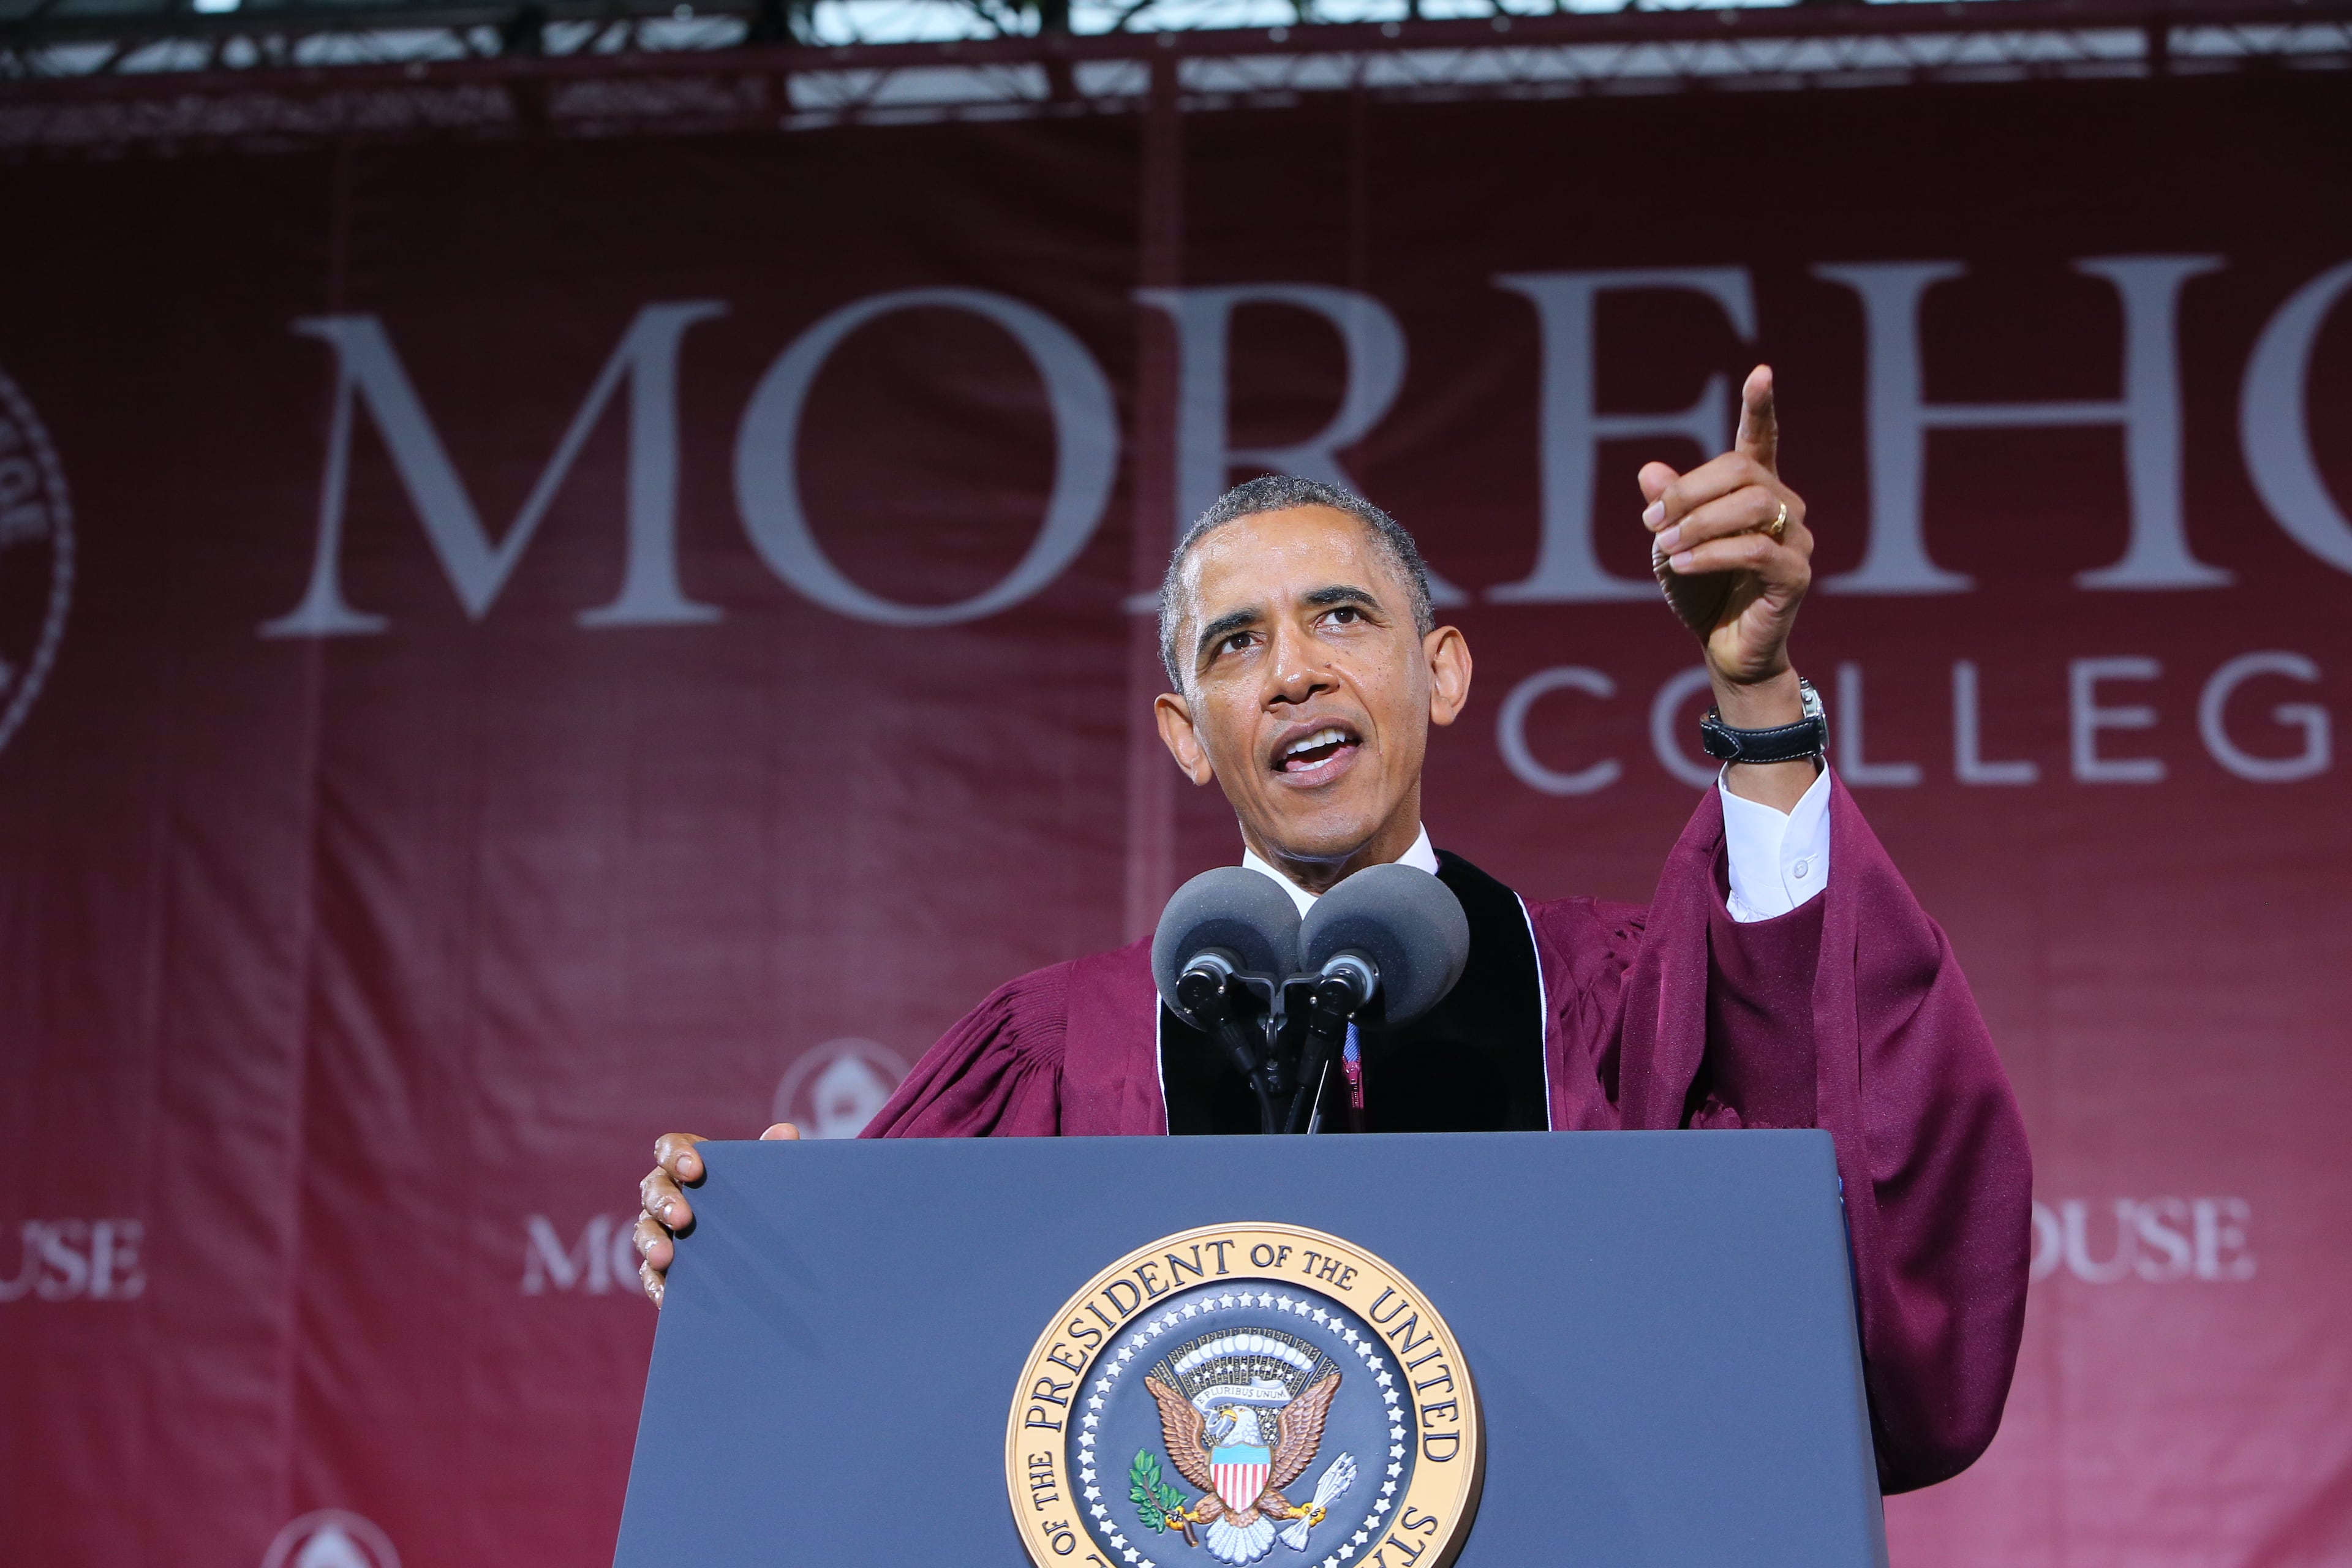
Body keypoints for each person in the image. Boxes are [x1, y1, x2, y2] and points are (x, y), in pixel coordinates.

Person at [632, 368, 2030, 1493]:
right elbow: (892, 1408)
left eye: (1340, 617)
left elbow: (1840, 1211)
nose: (1292, 669)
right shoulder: (1061, 1048)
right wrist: (773, 1253)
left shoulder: (1602, 997)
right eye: (1234, 644)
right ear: (1188, 736)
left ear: (1442, 671)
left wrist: (1762, 689)